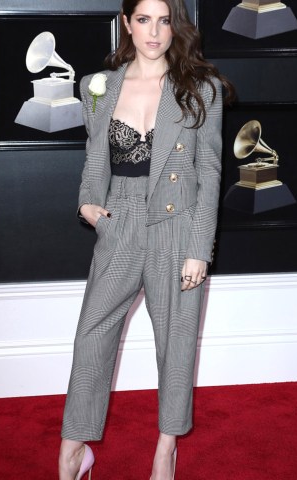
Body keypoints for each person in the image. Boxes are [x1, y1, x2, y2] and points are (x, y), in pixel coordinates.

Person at [58, 0, 234, 478]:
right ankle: (73, 449)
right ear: (126, 23)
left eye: (164, 20)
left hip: (179, 223)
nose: (154, 31)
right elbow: (95, 154)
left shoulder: (202, 88)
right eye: (143, 19)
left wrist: (201, 247)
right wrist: (88, 202)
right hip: (120, 219)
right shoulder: (98, 88)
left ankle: (165, 450)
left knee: (174, 343)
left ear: (175, 25)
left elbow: (210, 169)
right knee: (91, 336)